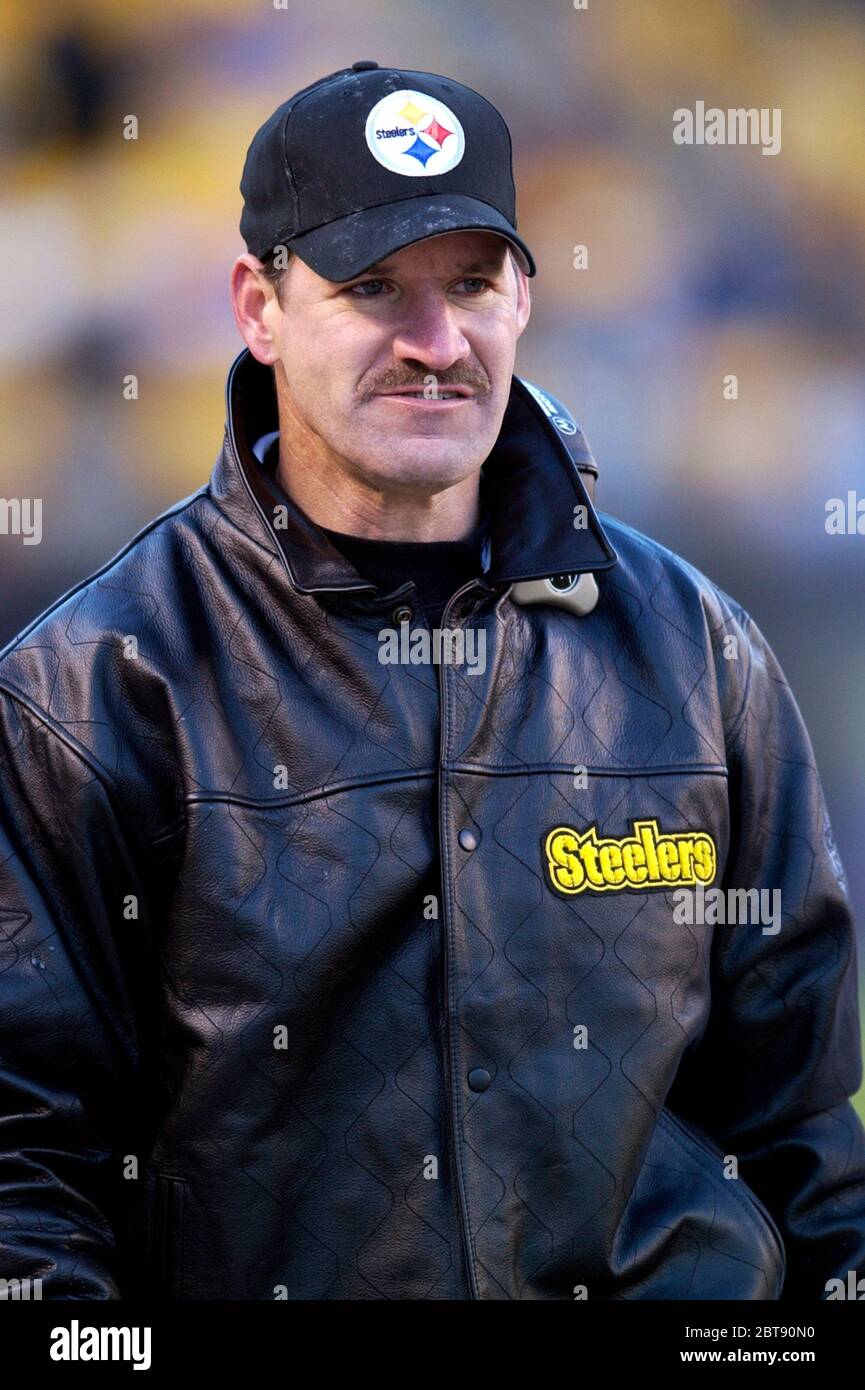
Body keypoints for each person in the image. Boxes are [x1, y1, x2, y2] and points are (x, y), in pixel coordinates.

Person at [0, 60, 863, 1302]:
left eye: (469, 284)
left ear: (523, 297)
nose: (433, 342)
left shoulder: (698, 645)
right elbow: (27, 1175)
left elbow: (805, 1138)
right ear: (258, 306)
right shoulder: (92, 688)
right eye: (371, 289)